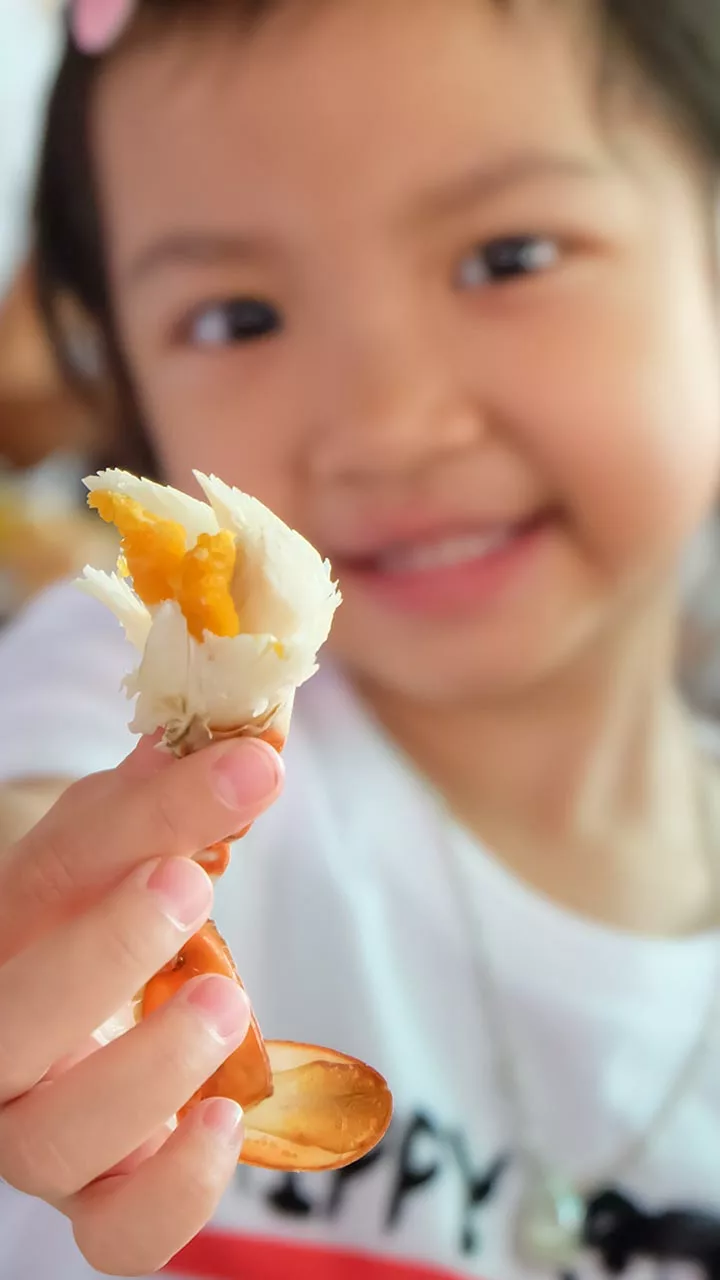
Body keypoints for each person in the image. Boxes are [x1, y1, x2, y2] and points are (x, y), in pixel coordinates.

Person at [1, 1, 720, 1277]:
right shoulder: (141, 704)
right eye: (236, 318)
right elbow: (40, 816)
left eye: (509, 256)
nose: (386, 423)